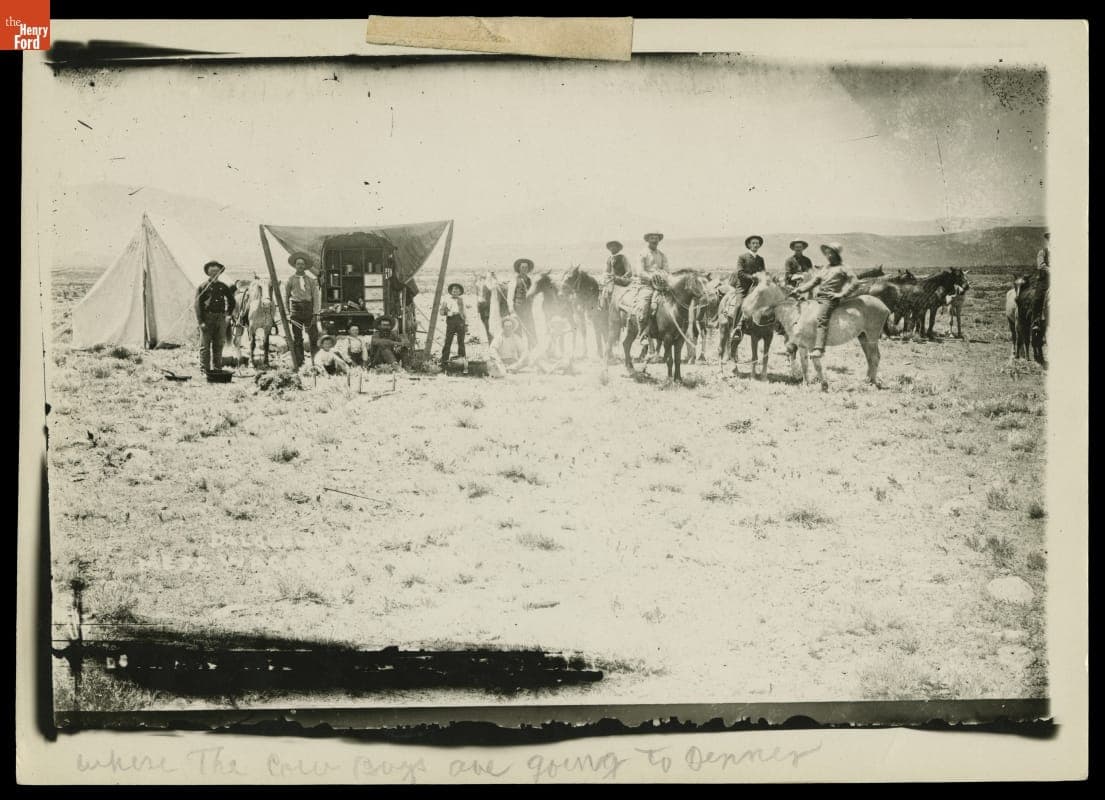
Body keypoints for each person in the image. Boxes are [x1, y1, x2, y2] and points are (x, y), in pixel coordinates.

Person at [791, 242, 858, 359]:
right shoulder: (825, 268)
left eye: (831, 253)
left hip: (830, 299)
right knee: (800, 313)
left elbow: (855, 282)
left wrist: (841, 294)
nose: (829, 256)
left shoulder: (844, 268)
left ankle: (819, 348)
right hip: (818, 298)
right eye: (827, 253)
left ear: (837, 254)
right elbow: (814, 282)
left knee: (821, 318)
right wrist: (799, 290)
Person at [194, 260, 237, 373]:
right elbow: (197, 305)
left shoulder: (223, 286)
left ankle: (217, 368)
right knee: (205, 346)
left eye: (217, 271)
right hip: (207, 319)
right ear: (208, 273)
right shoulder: (202, 287)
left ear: (220, 273)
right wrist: (201, 322)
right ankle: (205, 370)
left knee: (219, 345)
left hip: (221, 319)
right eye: (212, 271)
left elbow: (232, 301)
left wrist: (228, 315)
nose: (214, 274)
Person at [283, 251, 321, 367]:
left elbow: (316, 297)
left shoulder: (311, 280)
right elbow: (286, 296)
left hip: (308, 310)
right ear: (295, 265)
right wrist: (288, 313)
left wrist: (315, 313)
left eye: (302, 264)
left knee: (313, 336)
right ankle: (299, 362)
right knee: (297, 337)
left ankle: (316, 361)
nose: (300, 266)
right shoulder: (290, 280)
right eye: (298, 264)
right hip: (296, 310)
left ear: (305, 266)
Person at [635, 232, 670, 360]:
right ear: (648, 240)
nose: (654, 240)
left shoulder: (662, 255)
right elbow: (639, 271)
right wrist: (651, 277)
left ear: (659, 240)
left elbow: (666, 270)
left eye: (656, 238)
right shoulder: (642, 254)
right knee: (643, 308)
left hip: (661, 285)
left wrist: (662, 276)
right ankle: (643, 335)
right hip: (647, 285)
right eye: (652, 238)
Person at [727, 235, 767, 332]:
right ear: (749, 245)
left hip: (756, 286)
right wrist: (752, 277)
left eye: (757, 243)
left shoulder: (760, 259)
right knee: (739, 304)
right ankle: (735, 328)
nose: (755, 245)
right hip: (743, 286)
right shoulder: (742, 257)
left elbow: (763, 272)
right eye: (753, 243)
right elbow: (740, 272)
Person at [507, 258, 537, 347]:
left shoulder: (530, 280)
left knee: (531, 328)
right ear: (519, 269)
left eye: (526, 267)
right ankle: (518, 351)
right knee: (517, 329)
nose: (525, 269)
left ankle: (532, 349)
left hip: (528, 308)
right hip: (518, 308)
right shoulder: (514, 280)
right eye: (523, 267)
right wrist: (511, 309)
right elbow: (510, 295)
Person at [440, 282, 468, 364]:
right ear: (451, 291)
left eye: (457, 290)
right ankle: (444, 359)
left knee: (461, 341)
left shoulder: (462, 300)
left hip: (460, 321)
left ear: (460, 292)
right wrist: (449, 313)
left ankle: (462, 358)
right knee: (448, 340)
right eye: (454, 290)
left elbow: (465, 313)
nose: (455, 291)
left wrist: (466, 324)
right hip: (451, 320)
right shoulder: (446, 300)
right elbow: (441, 312)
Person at [600, 240, 632, 310]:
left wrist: (621, 277)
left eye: (614, 246)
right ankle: (604, 309)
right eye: (611, 246)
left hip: (621, 280)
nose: (612, 248)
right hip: (611, 280)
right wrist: (606, 276)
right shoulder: (609, 258)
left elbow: (629, 271)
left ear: (618, 248)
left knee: (611, 290)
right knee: (603, 290)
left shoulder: (623, 257)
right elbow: (607, 271)